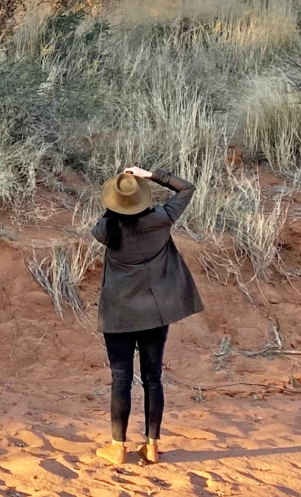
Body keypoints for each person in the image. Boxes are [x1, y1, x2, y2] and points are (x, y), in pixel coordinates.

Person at [90, 165, 204, 466]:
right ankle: (152, 446)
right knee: (153, 379)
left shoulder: (106, 230)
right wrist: (151, 175)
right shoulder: (161, 220)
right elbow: (187, 188)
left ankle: (117, 447)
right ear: (142, 198)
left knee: (120, 379)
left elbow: (105, 220)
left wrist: (115, 204)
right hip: (155, 313)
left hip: (118, 315)